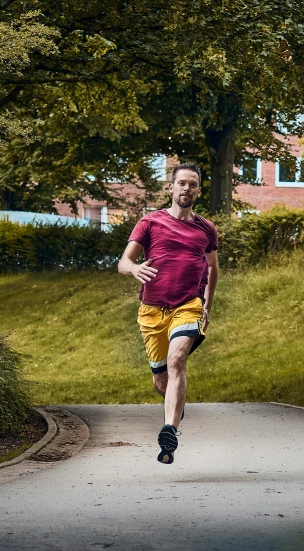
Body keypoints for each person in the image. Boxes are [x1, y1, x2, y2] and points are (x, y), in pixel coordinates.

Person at [118, 162, 219, 464]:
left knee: (177, 359)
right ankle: (175, 405)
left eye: (193, 184)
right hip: (151, 311)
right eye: (182, 183)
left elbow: (213, 267)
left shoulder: (206, 228)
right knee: (160, 379)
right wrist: (134, 268)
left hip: (188, 305)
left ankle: (169, 431)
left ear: (198, 190)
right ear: (171, 187)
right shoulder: (149, 222)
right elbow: (123, 261)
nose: (186, 188)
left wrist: (207, 305)